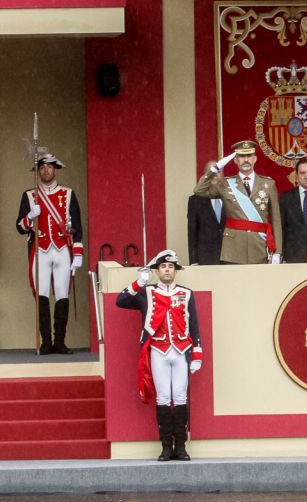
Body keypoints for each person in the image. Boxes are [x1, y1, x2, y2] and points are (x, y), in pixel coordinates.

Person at [116, 249, 203, 462]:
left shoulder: (187, 293)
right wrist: (138, 282)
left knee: (180, 397)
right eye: (163, 266)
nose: (167, 270)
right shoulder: (147, 293)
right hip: (158, 350)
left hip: (181, 350)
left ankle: (180, 447)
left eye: (171, 267)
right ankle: (166, 447)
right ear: (157, 270)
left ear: (175, 271)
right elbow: (121, 300)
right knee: (163, 397)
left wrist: (198, 354)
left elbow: (194, 325)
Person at [16, 149, 84, 354]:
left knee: (62, 294)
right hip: (40, 250)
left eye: (49, 167)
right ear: (38, 171)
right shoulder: (29, 195)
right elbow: (20, 227)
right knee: (42, 295)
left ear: (56, 170)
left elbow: (77, 226)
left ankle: (60, 341)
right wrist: (30, 216)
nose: (46, 170)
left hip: (62, 249)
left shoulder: (68, 193)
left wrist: (78, 253)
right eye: (42, 167)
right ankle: (46, 341)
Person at [193, 140, 282, 266]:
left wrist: (277, 252)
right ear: (235, 160)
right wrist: (215, 168)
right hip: (233, 251)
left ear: (255, 159)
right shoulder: (225, 183)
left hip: (259, 248)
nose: (246, 160)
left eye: (249, 156)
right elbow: (199, 191)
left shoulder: (268, 184)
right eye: (241, 156)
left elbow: (276, 221)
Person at [279, 157, 307, 264]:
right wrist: (281, 255)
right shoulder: (286, 197)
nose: (306, 176)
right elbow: (282, 228)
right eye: (302, 173)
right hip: (293, 255)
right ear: (296, 175)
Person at [186, 194, 224, 266]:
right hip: (205, 258)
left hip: (229, 257)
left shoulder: (232, 196)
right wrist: (194, 261)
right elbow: (192, 233)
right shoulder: (195, 200)